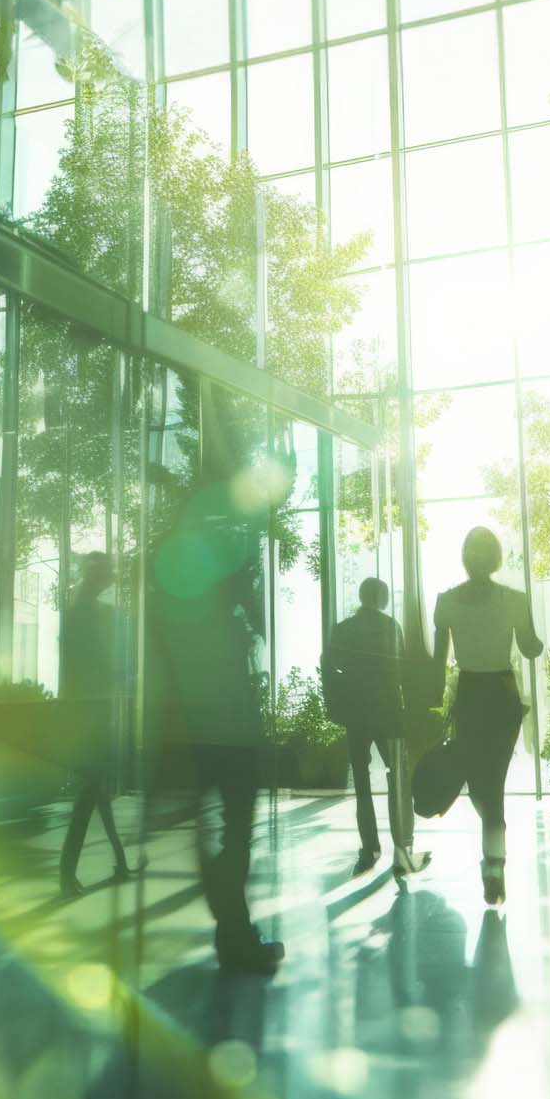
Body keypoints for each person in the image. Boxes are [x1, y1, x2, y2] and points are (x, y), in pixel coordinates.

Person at [146, 412, 288, 975]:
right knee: (233, 829)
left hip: (197, 723)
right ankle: (234, 932)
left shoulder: (180, 573)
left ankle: (234, 928)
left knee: (221, 831)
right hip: (223, 725)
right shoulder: (216, 582)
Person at [432, 527, 543, 906]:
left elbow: (437, 661)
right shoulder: (514, 599)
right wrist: (530, 627)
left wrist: (431, 704)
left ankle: (493, 860)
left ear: (466, 557)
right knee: (492, 781)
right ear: (496, 558)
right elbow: (530, 649)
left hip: (469, 694)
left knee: (482, 786)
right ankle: (494, 861)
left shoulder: (446, 602)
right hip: (502, 694)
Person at [322, 576, 429, 878]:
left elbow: (330, 663)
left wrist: (338, 701)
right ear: (382, 599)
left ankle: (369, 848)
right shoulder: (390, 626)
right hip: (388, 711)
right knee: (398, 778)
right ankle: (402, 849)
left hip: (356, 713)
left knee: (362, 783)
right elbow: (402, 669)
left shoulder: (344, 629)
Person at [56, 551, 131, 896]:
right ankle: (66, 874)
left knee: (98, 792)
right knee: (91, 794)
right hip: (90, 712)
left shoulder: (79, 612)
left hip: (83, 710)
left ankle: (120, 860)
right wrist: (117, 675)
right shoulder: (85, 615)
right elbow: (94, 666)